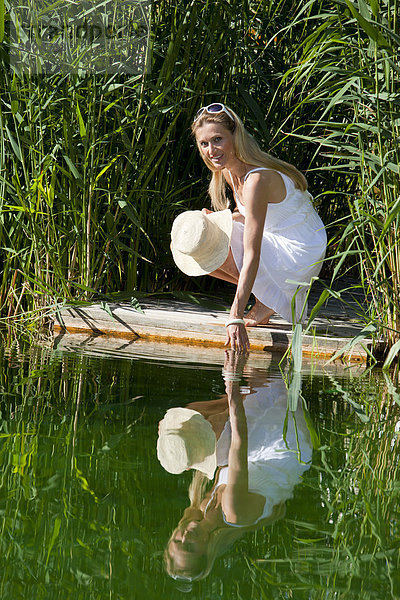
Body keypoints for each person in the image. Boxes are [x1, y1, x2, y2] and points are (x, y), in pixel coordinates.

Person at [171, 103, 327, 352]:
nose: (211, 150)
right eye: (204, 143)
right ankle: (267, 299)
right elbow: (248, 217)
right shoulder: (230, 172)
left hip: (300, 250)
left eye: (218, 139)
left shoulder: (256, 179)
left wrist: (235, 315)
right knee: (202, 245)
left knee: (220, 239)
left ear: (236, 136)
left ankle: (265, 301)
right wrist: (218, 220)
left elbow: (251, 251)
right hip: (278, 240)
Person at [161, 352, 312, 582]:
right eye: (190, 547)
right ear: (207, 549)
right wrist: (232, 379)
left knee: (191, 422)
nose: (184, 537)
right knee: (264, 379)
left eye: (176, 541)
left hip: (250, 453)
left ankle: (249, 384)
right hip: (281, 446)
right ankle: (250, 378)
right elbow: (239, 440)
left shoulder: (201, 509)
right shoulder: (233, 513)